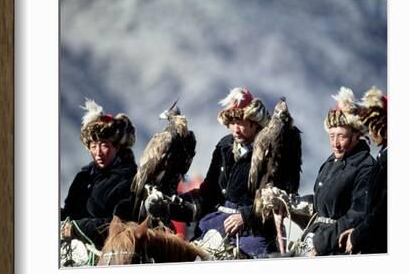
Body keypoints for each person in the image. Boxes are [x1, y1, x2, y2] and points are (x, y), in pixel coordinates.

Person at [148, 87, 278, 258]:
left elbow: (278, 199)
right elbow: (208, 194)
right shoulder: (224, 146)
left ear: (254, 122)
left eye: (241, 122)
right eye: (232, 123)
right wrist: (170, 206)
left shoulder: (271, 153)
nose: (235, 129)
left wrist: (245, 217)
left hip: (253, 232)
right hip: (215, 223)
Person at [301, 87, 375, 256]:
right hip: (315, 237)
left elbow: (357, 215)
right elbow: (325, 203)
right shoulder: (331, 162)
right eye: (331, 136)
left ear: (356, 134)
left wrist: (321, 245)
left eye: (341, 136)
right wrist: (293, 204)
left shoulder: (365, 167)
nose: (335, 143)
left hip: (337, 249)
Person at [60, 99, 137, 249]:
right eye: (93, 146)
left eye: (104, 145)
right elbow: (70, 213)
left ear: (117, 147)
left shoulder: (129, 179)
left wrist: (77, 229)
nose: (98, 152)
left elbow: (121, 224)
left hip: (107, 253)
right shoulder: (83, 177)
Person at [338, 87, 387, 254]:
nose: (371, 131)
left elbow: (383, 210)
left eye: (374, 125)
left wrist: (358, 236)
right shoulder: (383, 156)